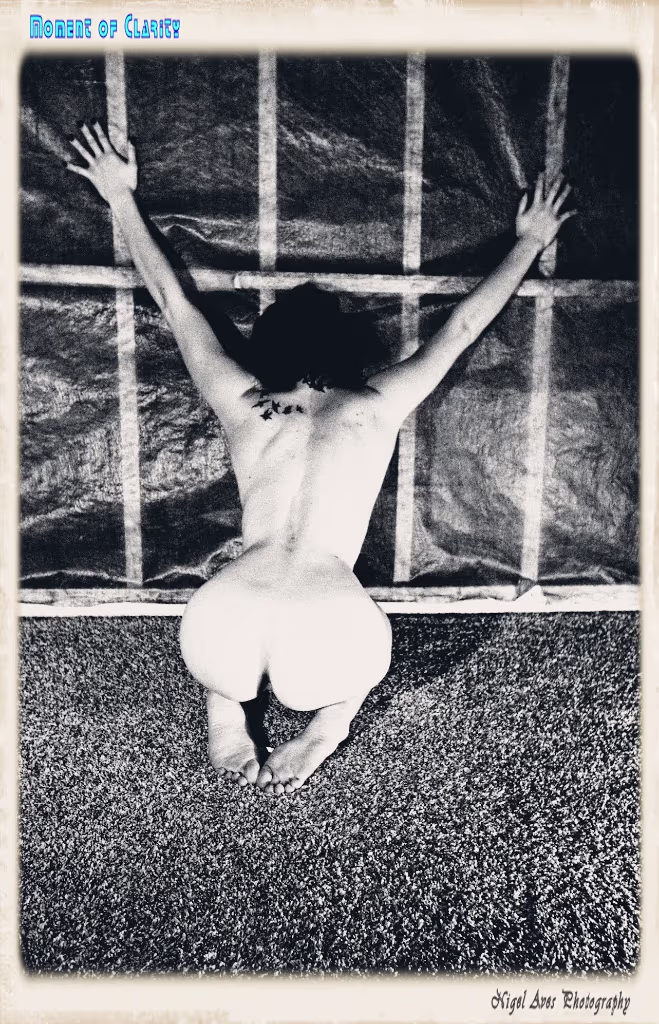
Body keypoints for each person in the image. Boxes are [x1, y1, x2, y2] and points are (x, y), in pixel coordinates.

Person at [67, 123, 575, 796]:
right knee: (359, 662)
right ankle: (329, 723)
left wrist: (119, 196)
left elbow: (173, 300)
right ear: (348, 352)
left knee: (229, 666)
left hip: (217, 627)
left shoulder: (242, 401)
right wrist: (531, 240)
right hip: (325, 637)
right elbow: (461, 327)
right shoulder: (376, 403)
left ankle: (226, 707)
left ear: (265, 350)